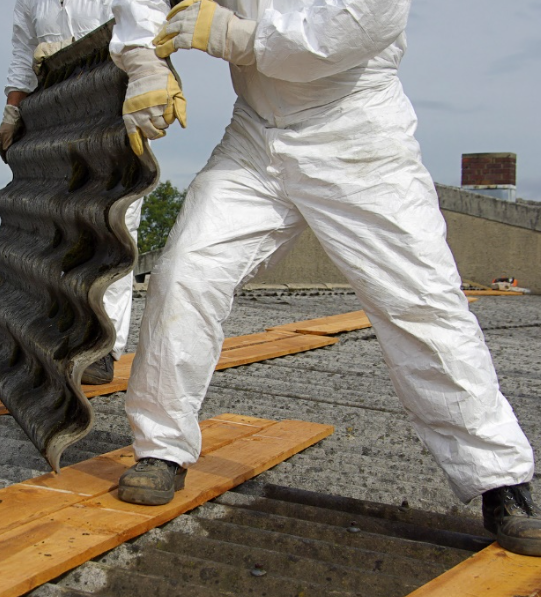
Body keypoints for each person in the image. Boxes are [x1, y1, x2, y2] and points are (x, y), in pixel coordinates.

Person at [109, 0, 541, 556]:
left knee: (421, 304)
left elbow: (339, 33)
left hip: (357, 134)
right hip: (255, 135)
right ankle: (161, 448)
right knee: (184, 273)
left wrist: (230, 35)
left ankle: (499, 480)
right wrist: (145, 61)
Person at [0, 0, 146, 385]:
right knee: (58, 227)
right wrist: (12, 111)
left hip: (114, 108)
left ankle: (104, 347)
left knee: (112, 227)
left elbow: (143, 29)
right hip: (58, 118)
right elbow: (21, 54)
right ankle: (60, 334)